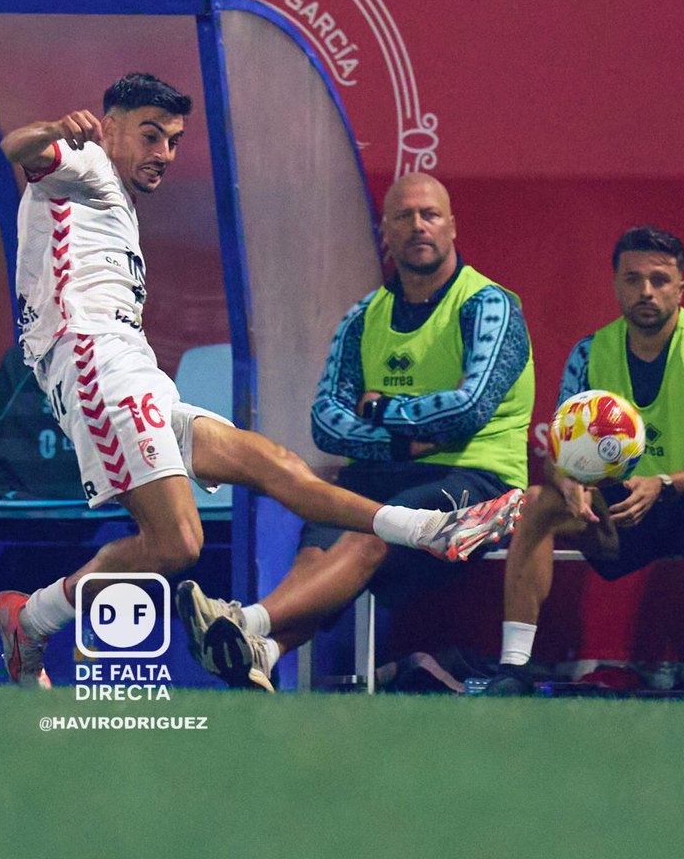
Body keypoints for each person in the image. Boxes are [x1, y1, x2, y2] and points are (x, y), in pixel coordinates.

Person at [0, 74, 522, 691]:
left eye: (174, 141)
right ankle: (31, 619)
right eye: (151, 135)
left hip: (135, 369)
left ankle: (424, 529)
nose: (165, 153)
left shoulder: (116, 195)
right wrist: (56, 129)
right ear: (109, 128)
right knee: (176, 544)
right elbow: (17, 148)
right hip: (93, 364)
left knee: (276, 464)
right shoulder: (83, 162)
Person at [177, 172, 533, 689]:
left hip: (477, 481)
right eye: (404, 216)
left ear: (452, 226)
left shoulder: (490, 305)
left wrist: (380, 408)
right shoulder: (363, 317)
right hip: (379, 473)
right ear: (385, 230)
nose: (418, 226)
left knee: (373, 534)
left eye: (430, 215)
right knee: (317, 547)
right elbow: (327, 422)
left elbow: (468, 411)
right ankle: (265, 651)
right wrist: (404, 439)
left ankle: (244, 621)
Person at [487, 226, 684, 700]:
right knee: (537, 501)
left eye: (660, 280)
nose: (646, 291)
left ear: (681, 288)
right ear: (616, 284)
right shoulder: (589, 352)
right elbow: (559, 453)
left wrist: (664, 483)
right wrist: (567, 482)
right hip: (622, 507)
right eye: (633, 279)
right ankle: (513, 667)